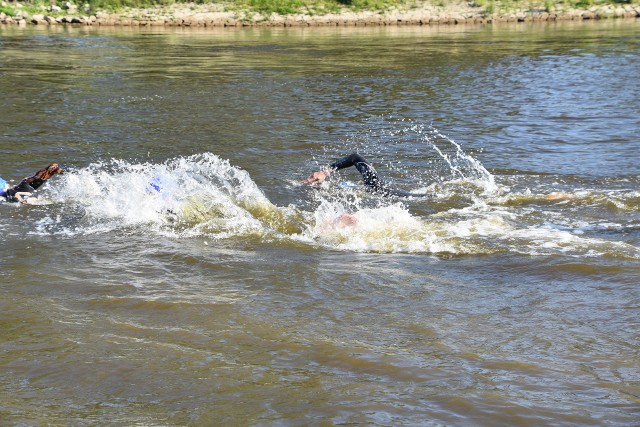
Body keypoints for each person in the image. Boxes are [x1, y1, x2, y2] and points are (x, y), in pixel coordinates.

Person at [304, 152, 425, 198]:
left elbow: (355, 157)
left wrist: (325, 172)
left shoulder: (375, 187)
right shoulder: (375, 186)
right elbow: (355, 157)